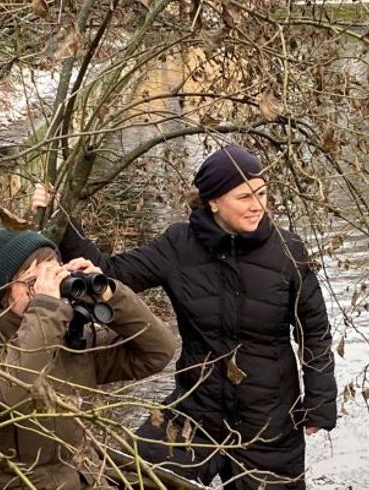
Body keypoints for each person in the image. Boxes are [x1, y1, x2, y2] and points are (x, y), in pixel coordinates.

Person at [35, 144, 337, 489]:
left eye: (263, 193)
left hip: (269, 423)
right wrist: (62, 220)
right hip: (195, 412)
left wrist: (319, 403)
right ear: (213, 202)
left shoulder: (289, 251)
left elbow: (313, 331)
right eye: (244, 197)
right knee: (129, 478)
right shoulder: (179, 244)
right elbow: (114, 271)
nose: (258, 205)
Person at [0, 228, 178, 489]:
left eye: (54, 278)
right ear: (3, 291)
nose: (49, 290)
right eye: (34, 283)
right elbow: (9, 391)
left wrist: (111, 295)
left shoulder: (70, 342)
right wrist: (45, 309)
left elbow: (157, 351)